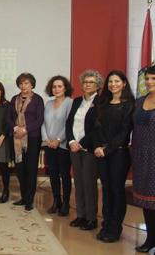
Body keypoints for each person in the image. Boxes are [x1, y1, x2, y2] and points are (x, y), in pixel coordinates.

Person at [94, 70, 134, 243]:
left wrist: (107, 149)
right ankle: (106, 224)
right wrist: (97, 146)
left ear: (124, 83)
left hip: (118, 154)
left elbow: (124, 133)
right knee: (106, 189)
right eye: (110, 82)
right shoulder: (103, 103)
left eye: (117, 81)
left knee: (117, 190)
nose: (113, 84)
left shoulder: (129, 105)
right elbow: (96, 128)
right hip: (101, 153)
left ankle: (115, 228)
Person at [66, 69, 102, 231]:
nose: (87, 85)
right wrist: (72, 141)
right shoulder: (76, 101)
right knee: (78, 183)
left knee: (89, 183)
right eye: (85, 82)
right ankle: (80, 215)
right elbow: (69, 123)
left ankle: (91, 218)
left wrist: (81, 143)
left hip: (89, 148)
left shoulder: (101, 102)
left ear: (98, 85)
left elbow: (98, 128)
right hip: (74, 147)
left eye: (91, 82)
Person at [7, 72, 44, 211]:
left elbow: (39, 120)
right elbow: (8, 118)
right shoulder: (14, 99)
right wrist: (16, 128)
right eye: (21, 83)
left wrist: (25, 130)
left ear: (32, 84)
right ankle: (23, 197)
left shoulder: (38, 99)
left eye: (26, 83)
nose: (24, 86)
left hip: (32, 138)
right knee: (20, 169)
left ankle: (30, 200)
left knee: (31, 169)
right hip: (17, 138)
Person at [41, 75, 74, 216]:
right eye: (54, 86)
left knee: (64, 175)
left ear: (65, 88)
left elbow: (69, 124)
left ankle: (66, 203)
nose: (56, 89)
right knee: (53, 175)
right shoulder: (48, 104)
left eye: (60, 86)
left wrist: (58, 139)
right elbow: (43, 123)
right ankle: (56, 201)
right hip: (49, 144)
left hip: (63, 145)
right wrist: (46, 139)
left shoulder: (69, 102)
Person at [132, 65, 155, 253]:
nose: (149, 82)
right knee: (146, 202)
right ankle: (150, 238)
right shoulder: (139, 101)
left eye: (153, 79)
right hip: (141, 156)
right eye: (147, 79)